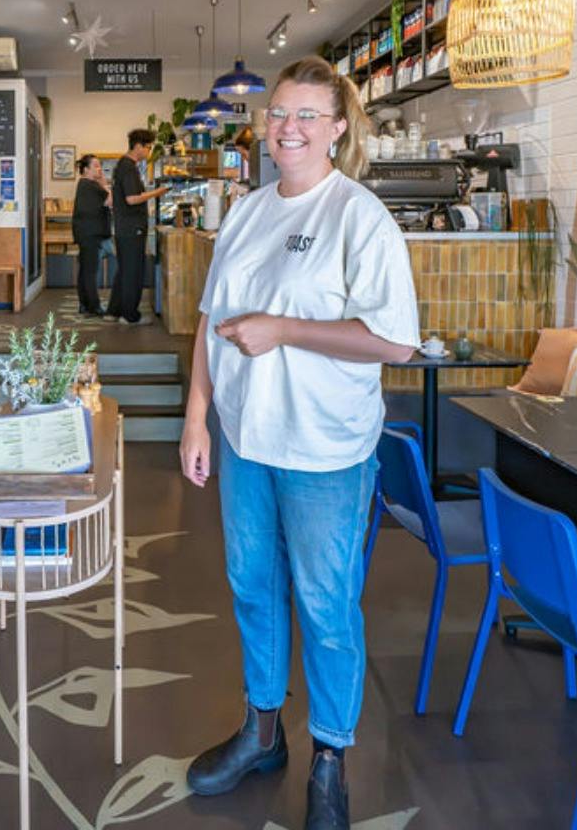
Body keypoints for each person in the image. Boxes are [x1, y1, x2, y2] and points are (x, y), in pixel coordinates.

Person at [179, 56, 419, 829]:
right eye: (279, 113)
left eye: (307, 116)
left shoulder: (359, 217)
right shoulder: (247, 213)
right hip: (246, 438)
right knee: (251, 587)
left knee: (324, 604)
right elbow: (210, 324)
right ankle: (261, 731)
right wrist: (196, 414)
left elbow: (395, 344)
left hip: (325, 449)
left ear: (338, 127)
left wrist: (284, 330)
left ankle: (330, 758)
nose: (288, 127)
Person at [104, 129, 169, 326]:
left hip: (125, 227)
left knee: (124, 270)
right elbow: (132, 199)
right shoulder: (129, 167)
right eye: (148, 147)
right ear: (138, 146)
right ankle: (129, 316)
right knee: (133, 271)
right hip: (132, 228)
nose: (149, 152)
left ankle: (113, 311)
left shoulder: (122, 166)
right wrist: (157, 192)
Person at [72, 153, 113, 317]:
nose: (99, 169)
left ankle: (84, 304)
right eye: (95, 166)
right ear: (86, 169)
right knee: (90, 270)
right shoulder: (89, 185)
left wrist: (102, 182)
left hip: (85, 232)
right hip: (90, 233)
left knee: (85, 269)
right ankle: (94, 306)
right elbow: (110, 201)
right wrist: (104, 183)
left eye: (100, 165)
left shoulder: (84, 184)